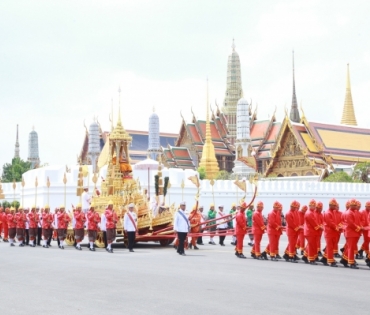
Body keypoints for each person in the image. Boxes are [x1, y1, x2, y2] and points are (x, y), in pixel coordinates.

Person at [341, 199, 363, 269]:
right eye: (355, 205)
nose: (357, 207)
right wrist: (358, 228)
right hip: (351, 233)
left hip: (354, 232)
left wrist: (360, 228)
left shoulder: (354, 212)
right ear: (351, 205)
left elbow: (357, 222)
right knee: (351, 248)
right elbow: (351, 224)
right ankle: (351, 262)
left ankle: (344, 260)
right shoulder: (349, 213)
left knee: (350, 247)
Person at [321, 199, 340, 267]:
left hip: (333, 232)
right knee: (330, 247)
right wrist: (337, 227)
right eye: (334, 205)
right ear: (330, 205)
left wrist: (338, 226)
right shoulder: (328, 213)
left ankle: (324, 258)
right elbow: (330, 223)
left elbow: (335, 222)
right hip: (329, 232)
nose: (335, 207)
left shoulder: (333, 212)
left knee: (331, 247)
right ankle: (330, 261)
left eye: (336, 205)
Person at [302, 200, 322, 265]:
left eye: (314, 206)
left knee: (312, 245)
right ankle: (311, 259)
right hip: (310, 231)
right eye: (312, 206)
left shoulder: (312, 212)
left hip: (312, 231)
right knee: (311, 245)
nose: (314, 207)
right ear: (309, 206)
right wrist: (319, 227)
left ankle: (305, 257)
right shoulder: (309, 213)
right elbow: (313, 223)